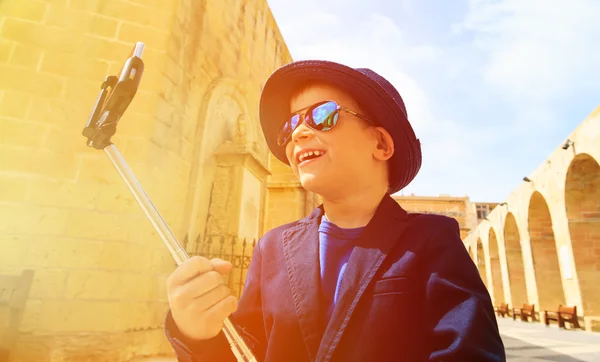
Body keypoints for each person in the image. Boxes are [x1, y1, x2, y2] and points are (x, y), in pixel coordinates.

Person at [164, 60, 506, 362]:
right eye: (290, 125)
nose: (298, 132)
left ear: (381, 144)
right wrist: (199, 335)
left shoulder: (431, 241)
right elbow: (246, 350)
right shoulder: (273, 247)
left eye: (322, 115)